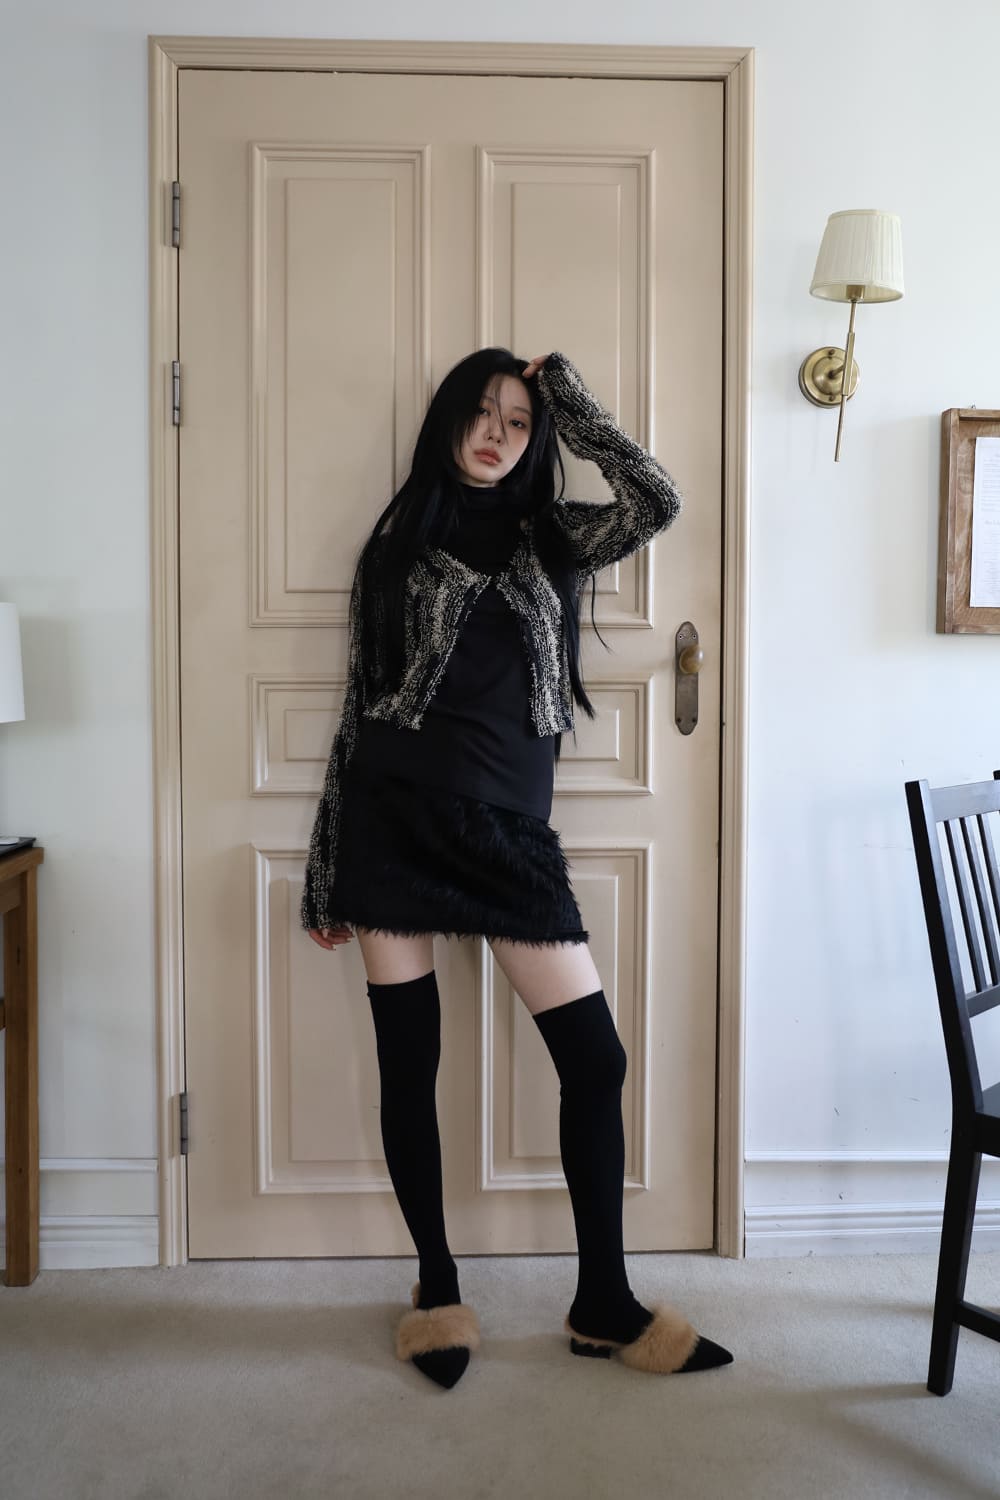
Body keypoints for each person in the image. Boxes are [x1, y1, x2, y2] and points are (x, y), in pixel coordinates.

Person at [302, 348, 733, 1389]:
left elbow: (657, 499)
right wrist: (326, 869)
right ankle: (438, 1286)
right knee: (410, 1064)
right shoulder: (396, 550)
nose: (497, 434)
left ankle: (602, 1303)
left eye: (516, 420)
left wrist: (565, 398)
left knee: (596, 1062)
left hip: (507, 838)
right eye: (482, 413)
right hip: (393, 823)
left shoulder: (556, 535)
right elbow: (359, 709)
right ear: (448, 420)